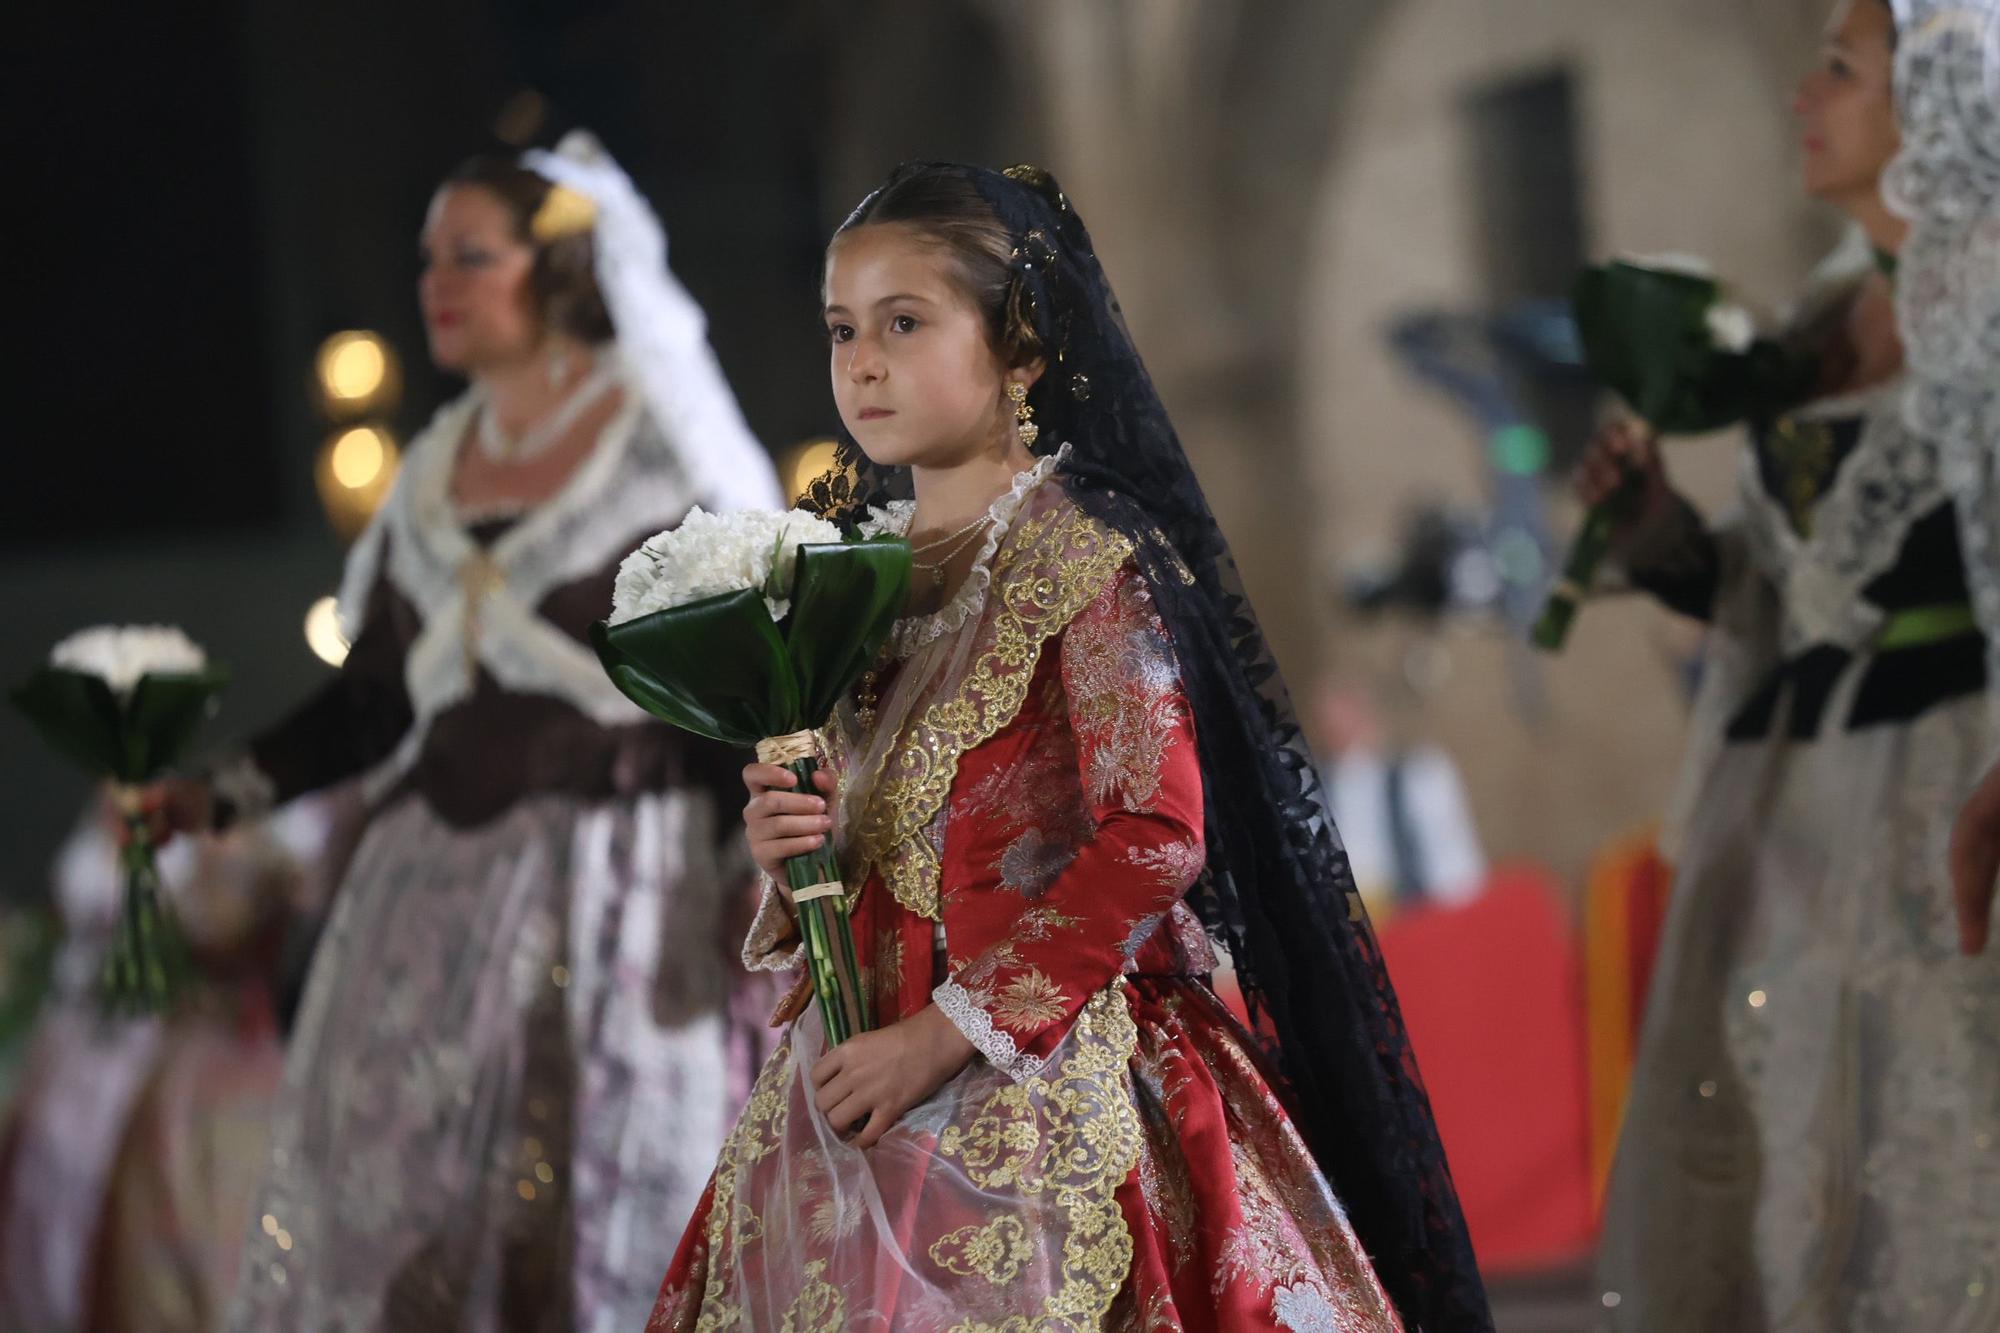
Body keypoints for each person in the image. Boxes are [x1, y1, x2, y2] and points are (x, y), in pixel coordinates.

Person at [646, 163, 1491, 1332]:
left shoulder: (1082, 565)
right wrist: (795, 841)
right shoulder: (851, 590)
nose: (864, 362)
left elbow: (1154, 835)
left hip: (1050, 1078)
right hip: (859, 1092)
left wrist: (944, 1036)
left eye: (905, 322)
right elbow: (881, 836)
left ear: (1020, 351)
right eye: (843, 329)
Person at [141, 132, 782, 1330]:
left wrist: (755, 880)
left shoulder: (660, 450)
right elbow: (371, 704)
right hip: (425, 903)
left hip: (616, 893)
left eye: (471, 256)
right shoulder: (431, 472)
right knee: (410, 1228)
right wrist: (212, 796)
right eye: (428, 256)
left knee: (594, 1220)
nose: (435, 281)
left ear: (556, 270)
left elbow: (745, 688)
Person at [1584, 2, 2000, 1325]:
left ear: (1933, 99)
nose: (1803, 94)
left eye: (1840, 67)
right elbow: (1774, 589)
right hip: (1795, 802)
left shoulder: (1991, 298)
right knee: (1796, 1146)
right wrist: (1654, 528)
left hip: (1954, 763)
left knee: (1946, 1131)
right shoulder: (1823, 311)